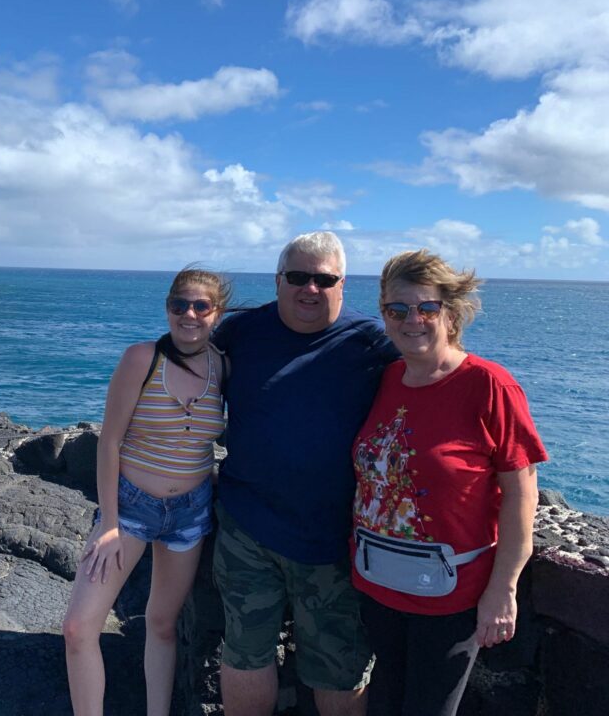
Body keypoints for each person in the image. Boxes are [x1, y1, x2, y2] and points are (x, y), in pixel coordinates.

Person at [350, 249, 546, 716]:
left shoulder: (490, 385)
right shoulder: (387, 378)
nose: (410, 319)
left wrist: (505, 589)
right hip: (377, 581)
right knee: (383, 704)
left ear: (451, 313)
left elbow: (522, 494)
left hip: (449, 594)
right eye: (397, 309)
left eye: (426, 307)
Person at [212, 231, 399, 716]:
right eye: (298, 276)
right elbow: (175, 372)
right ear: (278, 281)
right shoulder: (240, 332)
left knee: (339, 667)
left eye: (324, 278)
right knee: (245, 654)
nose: (309, 288)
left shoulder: (373, 343)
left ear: (343, 284)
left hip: (333, 539)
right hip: (245, 529)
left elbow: (436, 378)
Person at [62, 266, 231, 716]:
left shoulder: (223, 366)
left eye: (201, 306)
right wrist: (110, 523)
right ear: (167, 308)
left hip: (191, 512)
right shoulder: (142, 358)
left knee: (161, 623)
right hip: (131, 509)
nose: (189, 315)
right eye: (180, 305)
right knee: (79, 628)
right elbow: (110, 440)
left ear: (218, 313)